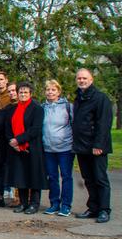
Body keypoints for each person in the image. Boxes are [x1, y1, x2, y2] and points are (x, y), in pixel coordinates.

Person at [72, 69, 113, 223]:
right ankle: (93, 207)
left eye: (84, 78)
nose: (81, 80)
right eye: (79, 78)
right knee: (88, 179)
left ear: (91, 79)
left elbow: (104, 124)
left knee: (100, 179)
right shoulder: (79, 98)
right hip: (82, 147)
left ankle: (104, 209)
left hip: (96, 147)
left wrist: (98, 145)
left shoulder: (100, 98)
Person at [5, 82, 48, 214]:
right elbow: (7, 127)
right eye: (21, 92)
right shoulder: (12, 108)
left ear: (30, 94)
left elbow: (35, 129)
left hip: (32, 147)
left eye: (25, 92)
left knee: (33, 177)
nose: (23, 94)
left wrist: (19, 140)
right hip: (16, 149)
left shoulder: (37, 109)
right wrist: (12, 141)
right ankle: (23, 203)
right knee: (20, 177)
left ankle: (34, 204)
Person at [42, 80, 74, 216]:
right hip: (48, 149)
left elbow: (74, 124)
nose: (50, 92)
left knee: (66, 177)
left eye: (53, 90)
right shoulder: (42, 107)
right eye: (48, 90)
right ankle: (54, 203)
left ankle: (66, 205)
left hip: (65, 148)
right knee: (52, 177)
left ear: (58, 92)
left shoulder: (67, 106)